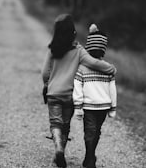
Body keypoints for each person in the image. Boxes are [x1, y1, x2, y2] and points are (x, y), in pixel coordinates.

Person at [41, 14, 116, 168]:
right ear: (72, 32)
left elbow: (45, 73)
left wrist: (47, 84)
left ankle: (58, 150)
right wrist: (111, 69)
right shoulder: (78, 50)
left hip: (53, 93)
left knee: (55, 123)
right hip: (69, 95)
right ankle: (61, 150)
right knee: (65, 125)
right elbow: (94, 62)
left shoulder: (52, 49)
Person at [73, 24, 117, 168]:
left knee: (92, 132)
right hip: (98, 107)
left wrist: (78, 106)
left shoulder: (83, 67)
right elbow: (112, 90)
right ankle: (90, 159)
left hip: (94, 107)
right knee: (94, 132)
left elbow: (77, 87)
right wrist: (113, 108)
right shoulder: (107, 68)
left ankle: (89, 157)